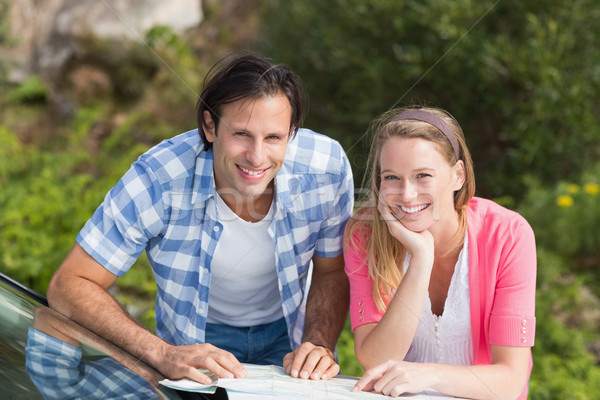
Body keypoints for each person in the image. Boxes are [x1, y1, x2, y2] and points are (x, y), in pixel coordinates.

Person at [47, 51, 354, 386]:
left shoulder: (326, 168)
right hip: (196, 342)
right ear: (210, 126)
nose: (257, 156)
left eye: (274, 138)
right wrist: (161, 352)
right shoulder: (159, 178)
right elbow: (69, 284)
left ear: (292, 133)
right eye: (241, 134)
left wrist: (319, 342)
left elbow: (331, 270)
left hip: (289, 335)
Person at [344, 107, 536, 399]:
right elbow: (375, 359)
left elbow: (511, 379)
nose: (406, 194)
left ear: (458, 175)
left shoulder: (507, 235)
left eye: (422, 175)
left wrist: (429, 374)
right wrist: (421, 258)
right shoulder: (364, 235)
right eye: (392, 177)